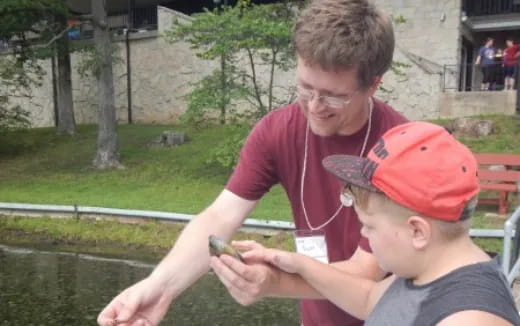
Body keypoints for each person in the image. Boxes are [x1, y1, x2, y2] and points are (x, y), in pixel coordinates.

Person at [97, 0, 407, 325]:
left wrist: (273, 282)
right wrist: (158, 288)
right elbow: (220, 215)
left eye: (333, 96)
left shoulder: (400, 147)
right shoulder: (277, 131)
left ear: (372, 84)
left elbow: (366, 271)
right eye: (305, 87)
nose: (315, 106)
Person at [219, 121, 520, 326]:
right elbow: (368, 298)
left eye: (370, 225)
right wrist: (294, 263)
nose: (363, 233)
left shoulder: (469, 317)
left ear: (417, 231)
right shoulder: (425, 270)